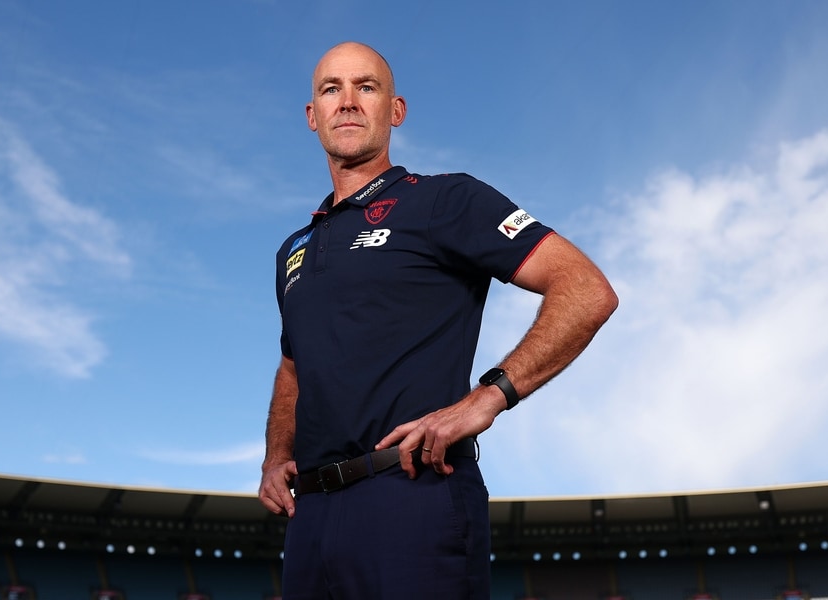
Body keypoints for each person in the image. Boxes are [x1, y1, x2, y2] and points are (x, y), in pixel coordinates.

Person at [258, 41, 618, 599]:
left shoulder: (445, 200)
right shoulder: (293, 249)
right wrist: (277, 455)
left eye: (366, 87)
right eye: (331, 89)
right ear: (312, 115)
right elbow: (293, 366)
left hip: (411, 493)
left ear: (395, 110)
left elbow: (586, 288)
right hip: (310, 519)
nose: (347, 101)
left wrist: (489, 396)